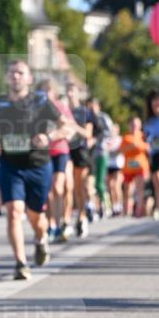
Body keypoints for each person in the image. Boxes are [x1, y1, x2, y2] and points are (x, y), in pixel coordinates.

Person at [0, 60, 71, 280]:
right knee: (14, 212)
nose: (16, 77)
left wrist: (48, 137)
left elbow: (65, 127)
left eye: (20, 73)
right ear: (6, 78)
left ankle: (41, 241)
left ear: (29, 78)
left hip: (38, 165)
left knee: (36, 217)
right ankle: (20, 263)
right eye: (12, 73)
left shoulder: (41, 101)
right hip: (10, 165)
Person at [36, 78, 75, 242]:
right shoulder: (36, 108)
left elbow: (69, 129)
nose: (46, 94)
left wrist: (52, 136)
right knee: (48, 190)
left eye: (48, 91)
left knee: (59, 187)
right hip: (43, 153)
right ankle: (51, 224)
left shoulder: (61, 107)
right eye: (43, 91)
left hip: (60, 150)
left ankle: (59, 224)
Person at [66, 83, 94, 238]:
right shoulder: (63, 110)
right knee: (67, 186)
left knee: (79, 187)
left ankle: (82, 218)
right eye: (68, 90)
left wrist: (74, 127)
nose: (70, 93)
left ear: (77, 94)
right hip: (66, 150)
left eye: (72, 91)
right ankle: (66, 219)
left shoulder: (85, 112)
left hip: (81, 151)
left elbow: (88, 134)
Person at [119, 116, 150, 217]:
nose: (134, 127)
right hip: (128, 167)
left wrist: (139, 145)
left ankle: (138, 211)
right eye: (132, 125)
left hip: (140, 166)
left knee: (139, 189)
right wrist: (131, 146)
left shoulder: (143, 136)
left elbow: (149, 147)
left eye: (136, 125)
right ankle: (125, 210)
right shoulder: (126, 137)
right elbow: (121, 150)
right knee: (127, 190)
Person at [143, 89, 159, 219]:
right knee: (157, 181)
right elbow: (146, 141)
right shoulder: (149, 122)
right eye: (154, 99)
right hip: (154, 154)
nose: (156, 102)